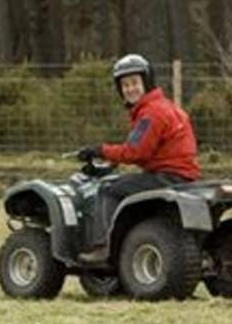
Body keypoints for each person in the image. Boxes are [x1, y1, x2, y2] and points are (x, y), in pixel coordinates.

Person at [75, 54, 200, 261]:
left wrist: (100, 150)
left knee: (108, 190)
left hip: (167, 176)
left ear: (147, 82)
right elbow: (143, 150)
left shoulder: (151, 113)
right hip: (182, 175)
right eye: (124, 85)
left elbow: (135, 152)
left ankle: (102, 247)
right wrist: (109, 165)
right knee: (125, 182)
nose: (130, 89)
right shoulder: (163, 106)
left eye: (134, 83)